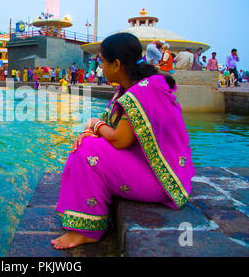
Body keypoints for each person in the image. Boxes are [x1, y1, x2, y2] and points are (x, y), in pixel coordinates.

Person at [51, 32, 195, 250]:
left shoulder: (142, 92)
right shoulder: (133, 88)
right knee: (84, 145)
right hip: (152, 168)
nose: (101, 67)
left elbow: (120, 139)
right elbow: (113, 125)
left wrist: (95, 126)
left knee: (89, 149)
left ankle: (88, 231)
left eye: (103, 62)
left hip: (162, 181)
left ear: (116, 64)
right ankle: (83, 218)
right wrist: (91, 130)